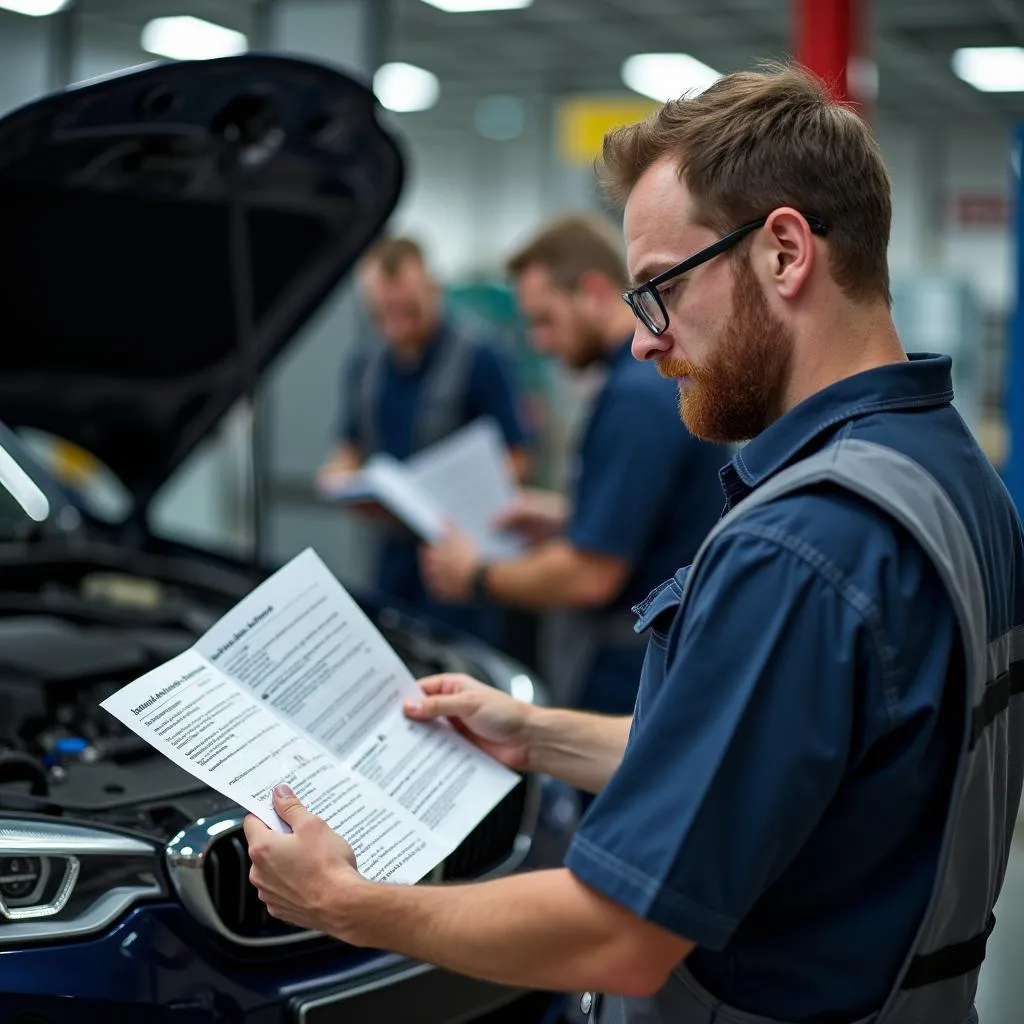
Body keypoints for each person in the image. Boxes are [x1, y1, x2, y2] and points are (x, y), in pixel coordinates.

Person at [245, 63, 1024, 1024]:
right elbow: (765, 762)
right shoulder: (947, 472)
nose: (642, 342)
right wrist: (534, 735)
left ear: (785, 252)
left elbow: (619, 932)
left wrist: (348, 904)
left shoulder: (804, 548)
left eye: (659, 289)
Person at [418, 215, 729, 719]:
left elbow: (592, 575)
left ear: (593, 290)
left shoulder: (635, 398)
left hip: (632, 673)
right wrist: (568, 517)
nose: (540, 342)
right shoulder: (633, 386)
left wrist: (476, 576)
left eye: (545, 319)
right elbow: (653, 519)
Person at [316, 235, 530, 642]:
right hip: (389, 557)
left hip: (457, 558)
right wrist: (339, 477)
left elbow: (519, 458)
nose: (396, 325)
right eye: (382, 315)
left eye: (407, 311)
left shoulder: (482, 358)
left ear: (432, 291)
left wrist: (456, 491)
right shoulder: (364, 364)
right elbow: (349, 445)